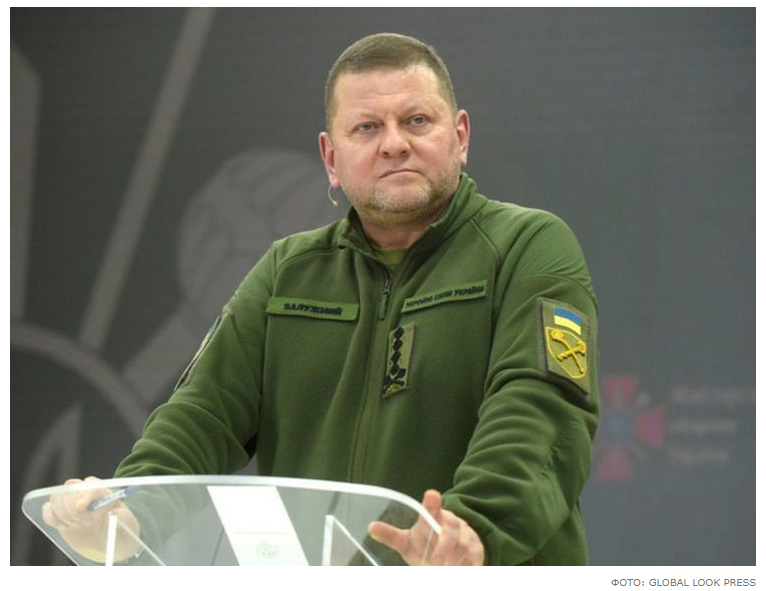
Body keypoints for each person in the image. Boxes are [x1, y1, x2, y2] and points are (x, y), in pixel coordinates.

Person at [43, 32, 599, 566]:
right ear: (331, 158)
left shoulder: (528, 246)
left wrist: (471, 529)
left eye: (417, 121)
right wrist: (130, 511)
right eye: (367, 127)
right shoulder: (287, 272)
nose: (394, 143)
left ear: (460, 135)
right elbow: (201, 415)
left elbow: (542, 411)